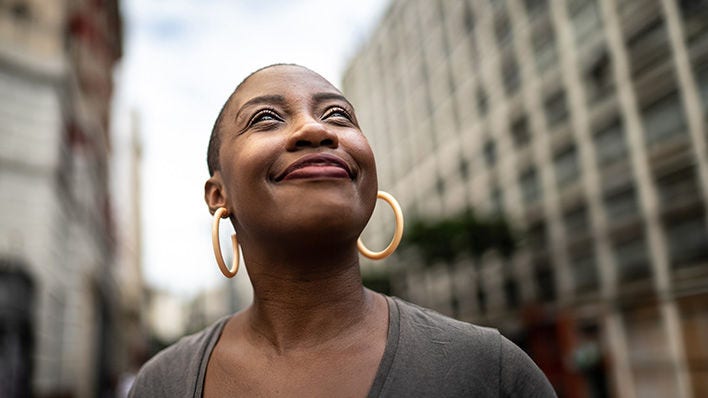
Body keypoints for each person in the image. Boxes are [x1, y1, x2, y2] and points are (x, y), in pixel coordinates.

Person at [129, 64, 556, 397]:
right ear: (218, 195)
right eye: (265, 118)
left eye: (337, 115)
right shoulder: (163, 384)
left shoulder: (490, 370)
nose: (316, 129)